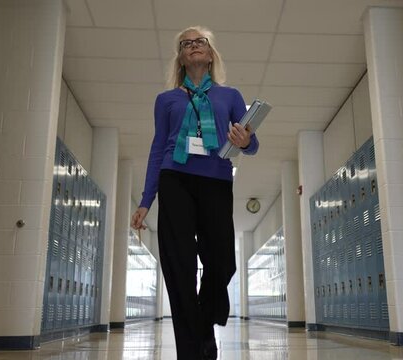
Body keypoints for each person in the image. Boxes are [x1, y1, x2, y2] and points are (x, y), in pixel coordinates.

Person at [130, 25, 259, 360]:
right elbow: (158, 149)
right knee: (179, 264)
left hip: (216, 180)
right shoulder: (166, 100)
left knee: (223, 262)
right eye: (186, 43)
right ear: (181, 58)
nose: (193, 46)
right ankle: (193, 349)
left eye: (199, 41)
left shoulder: (229, 96)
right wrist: (146, 201)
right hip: (176, 179)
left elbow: (250, 141)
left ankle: (204, 322)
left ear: (211, 52)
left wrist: (245, 140)